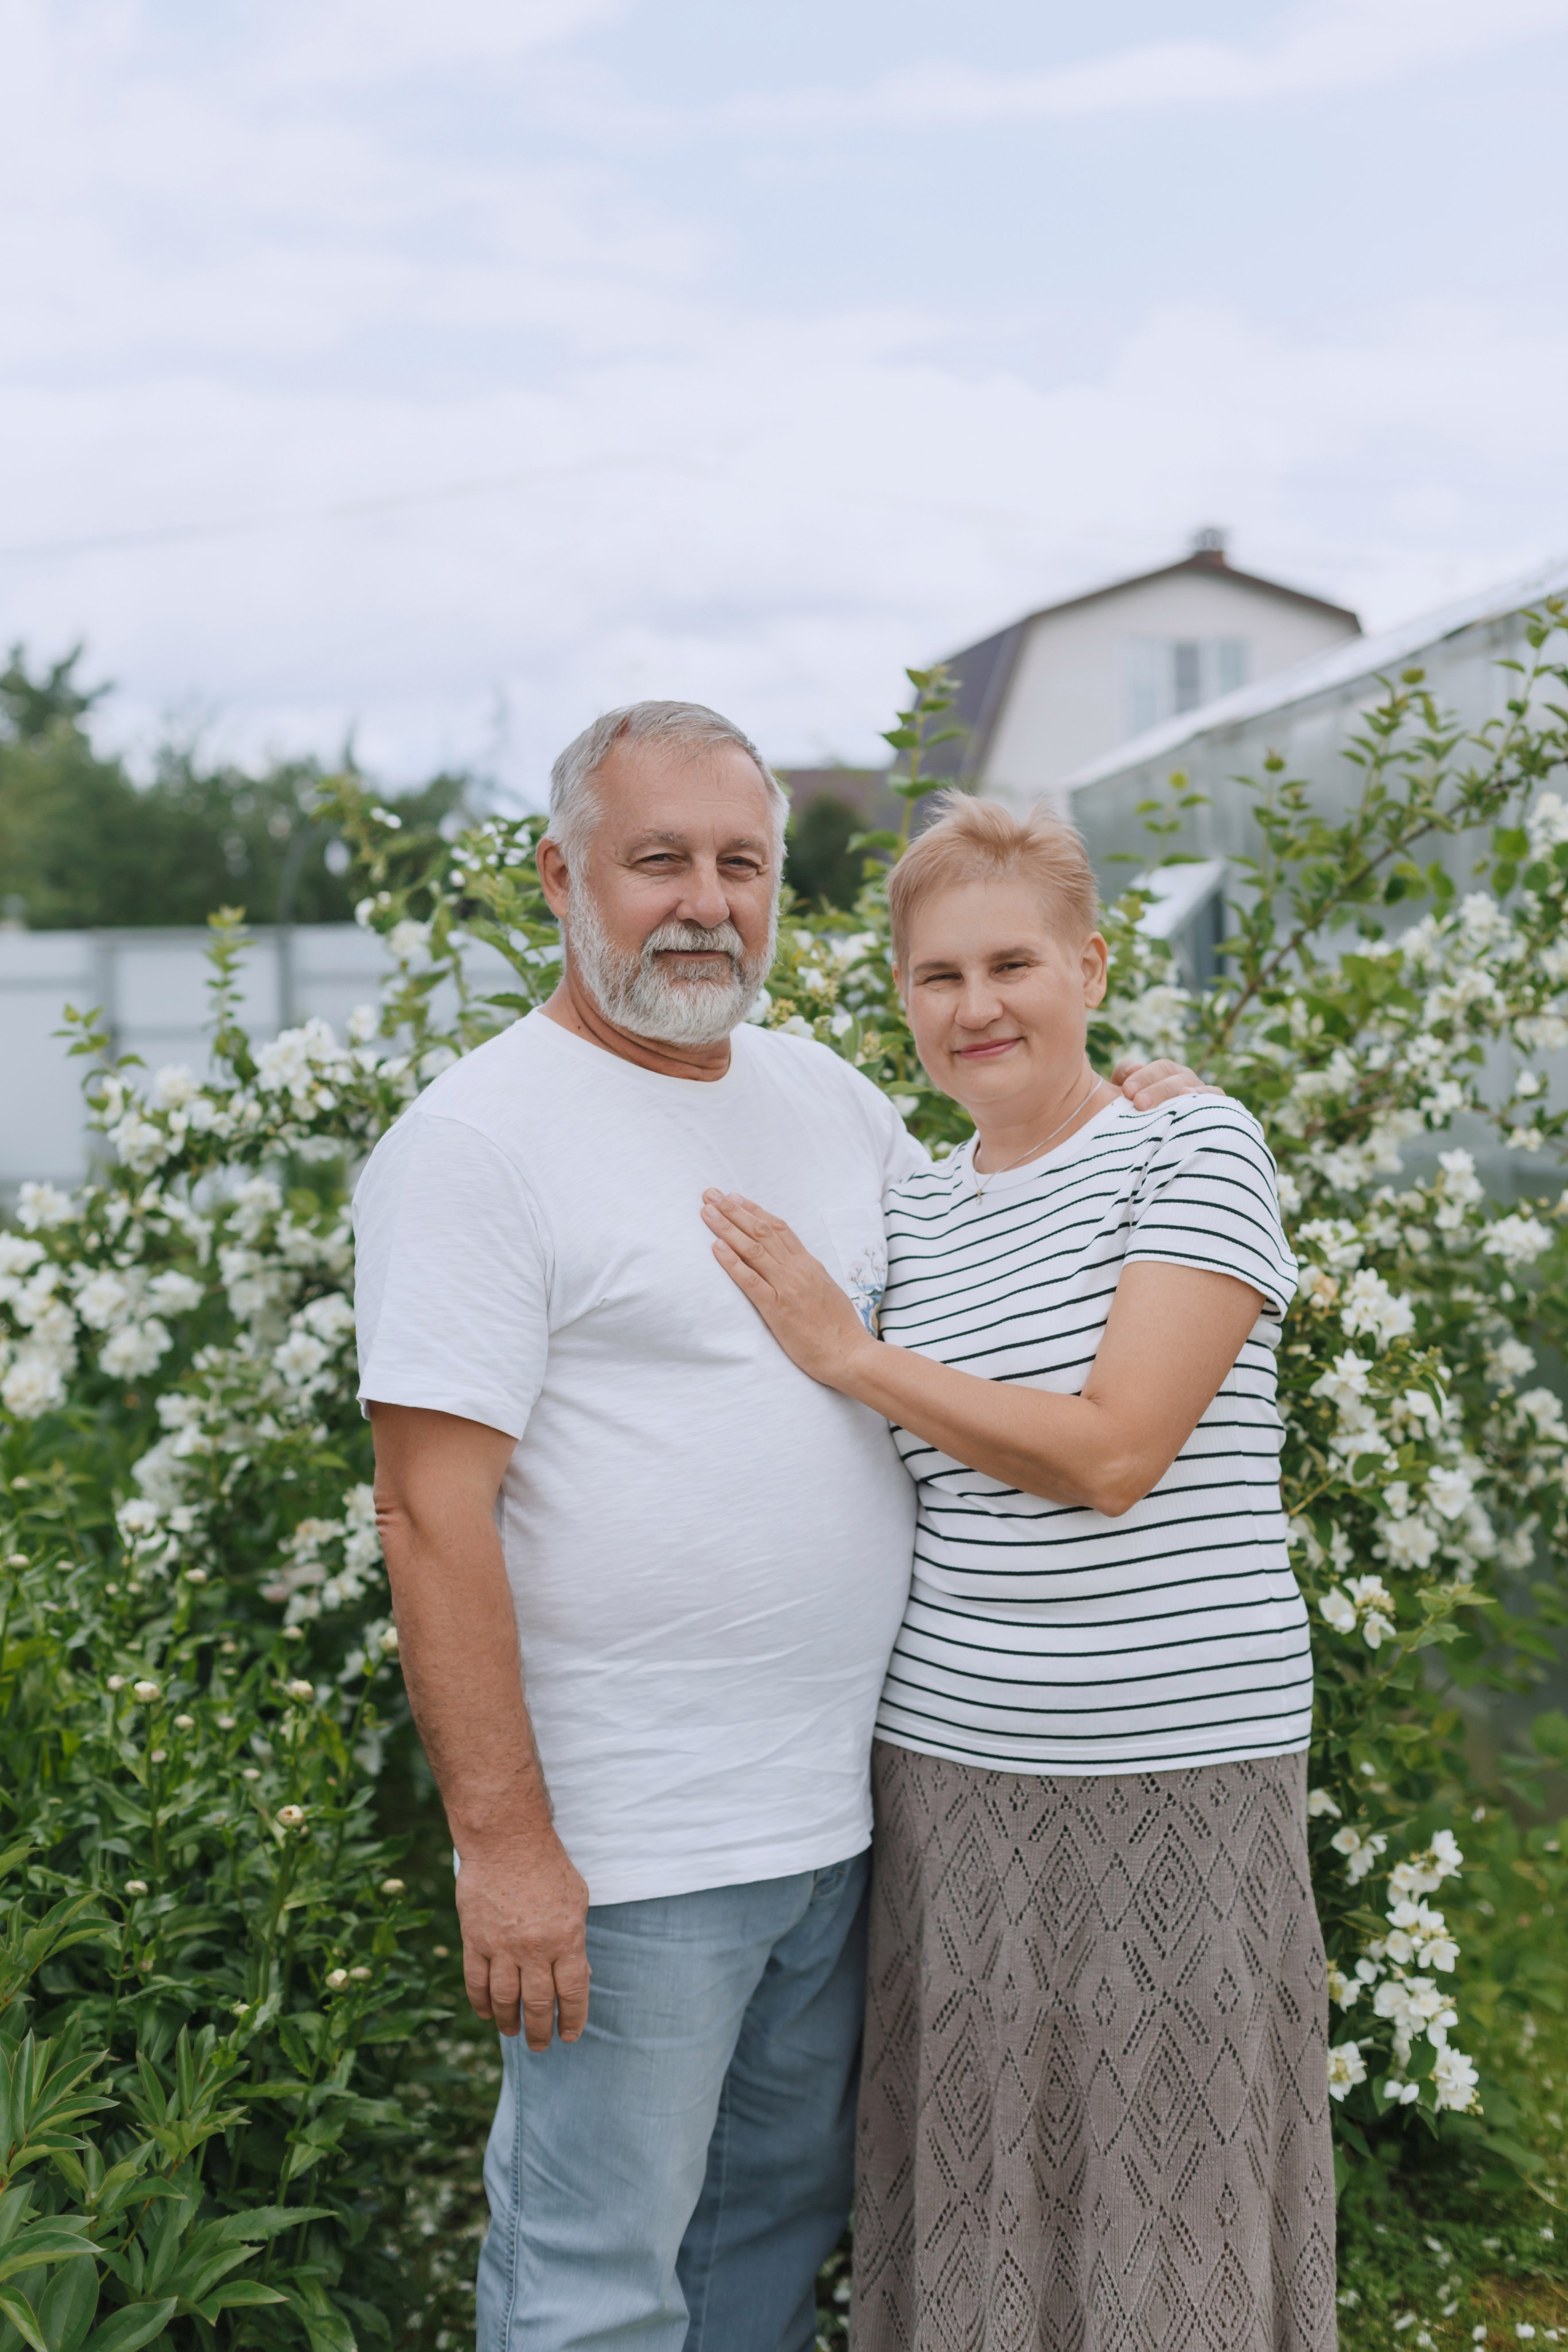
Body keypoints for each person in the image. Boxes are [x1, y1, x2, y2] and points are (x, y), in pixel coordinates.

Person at [353, 705, 1212, 2352]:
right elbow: (427, 1508)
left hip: (846, 1819)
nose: (705, 901)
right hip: (634, 1850)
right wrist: (510, 1851)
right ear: (559, 877)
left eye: (741, 863)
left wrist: (1135, 1115)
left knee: (767, 2242)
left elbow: (1002, 1219)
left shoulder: (818, 1098)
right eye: (657, 859)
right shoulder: (478, 1143)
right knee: (597, 2279)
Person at [701, 793, 1332, 2352]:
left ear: (1092, 968)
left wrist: (850, 1356)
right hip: (950, 1779)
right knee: (977, 2204)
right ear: (901, 1000)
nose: (976, 1007)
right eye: (936, 977)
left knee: (1171, 2212)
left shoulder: (1192, 1143)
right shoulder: (902, 1209)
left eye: (1013, 965)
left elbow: (1114, 1454)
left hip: (1177, 1768)